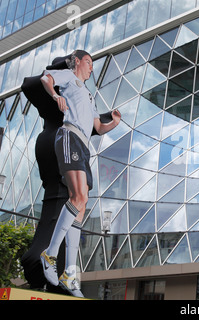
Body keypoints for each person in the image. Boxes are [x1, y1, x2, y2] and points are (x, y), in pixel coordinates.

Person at [20, 55, 114, 293]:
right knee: (78, 198)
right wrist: (56, 96)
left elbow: (98, 127)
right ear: (77, 62)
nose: (92, 68)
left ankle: (69, 273)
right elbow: (44, 79)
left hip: (83, 144)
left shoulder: (89, 95)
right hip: (69, 137)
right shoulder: (69, 77)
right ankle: (49, 254)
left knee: (81, 207)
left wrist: (114, 122)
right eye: (89, 62)